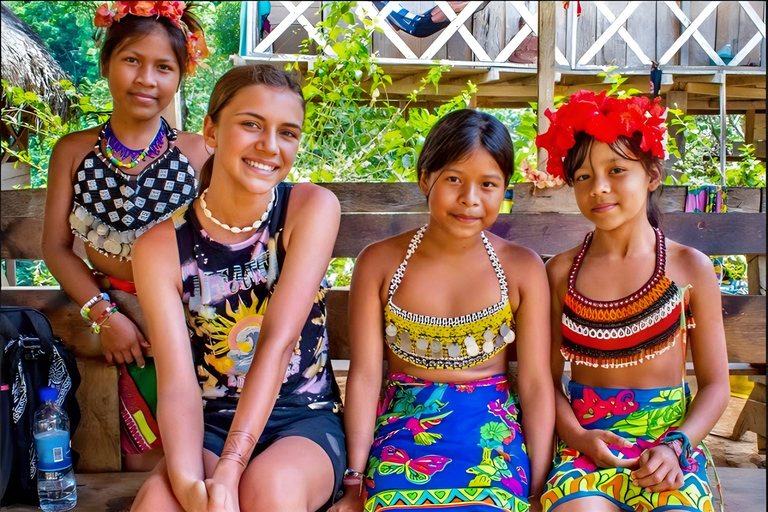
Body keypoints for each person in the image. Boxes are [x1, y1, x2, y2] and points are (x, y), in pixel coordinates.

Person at [129, 64, 345, 512]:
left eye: (287, 133)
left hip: (301, 418)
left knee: (271, 489)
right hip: (209, 424)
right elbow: (177, 383)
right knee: (158, 503)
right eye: (251, 124)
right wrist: (190, 486)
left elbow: (278, 342)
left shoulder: (309, 208)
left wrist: (230, 468)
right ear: (211, 131)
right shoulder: (161, 247)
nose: (270, 146)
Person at [332, 109, 555, 512]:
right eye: (454, 179)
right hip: (403, 428)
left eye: (488, 184)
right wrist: (353, 481)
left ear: (504, 191)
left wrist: (538, 490)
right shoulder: (379, 263)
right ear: (425, 179)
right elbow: (364, 377)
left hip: (491, 435)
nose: (470, 198)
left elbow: (537, 384)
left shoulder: (522, 268)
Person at [536, 91, 729, 512]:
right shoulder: (560, 273)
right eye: (583, 176)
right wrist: (578, 437)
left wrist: (677, 446)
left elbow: (717, 386)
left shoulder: (690, 268)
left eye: (617, 170)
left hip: (670, 451)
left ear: (652, 175)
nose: (599, 188)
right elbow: (545, 382)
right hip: (586, 449)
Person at [42, 0, 210, 471]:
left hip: (187, 325)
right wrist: (105, 315)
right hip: (117, 324)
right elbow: (55, 248)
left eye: (164, 67)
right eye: (132, 60)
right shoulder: (72, 152)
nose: (146, 79)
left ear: (182, 75)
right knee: (139, 463)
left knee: (194, 453)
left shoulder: (198, 153)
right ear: (105, 63)